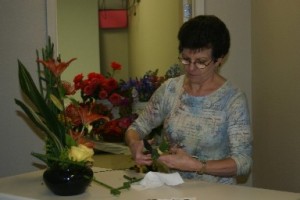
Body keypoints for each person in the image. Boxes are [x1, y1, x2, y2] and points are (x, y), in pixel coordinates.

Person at [125, 15, 252, 184]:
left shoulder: (232, 100)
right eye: (185, 59)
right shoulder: (170, 90)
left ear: (219, 59)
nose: (191, 68)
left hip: (217, 194)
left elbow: (243, 163)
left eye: (201, 62)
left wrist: (198, 165)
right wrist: (134, 144)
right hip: (172, 189)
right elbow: (137, 128)